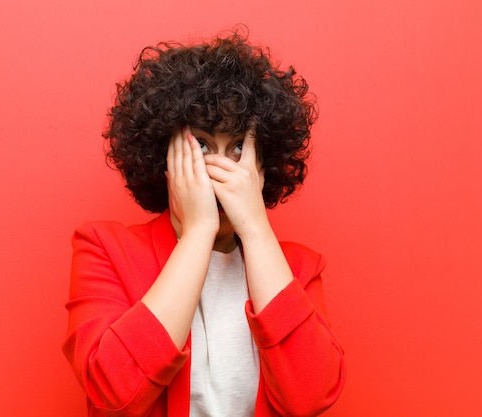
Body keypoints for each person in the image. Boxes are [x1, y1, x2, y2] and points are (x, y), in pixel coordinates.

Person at [62, 30, 345, 417]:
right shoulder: (104, 248)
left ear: (263, 165)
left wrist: (257, 230)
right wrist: (197, 234)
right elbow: (113, 392)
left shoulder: (299, 269)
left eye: (240, 149)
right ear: (164, 158)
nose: (224, 169)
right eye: (201, 146)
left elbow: (311, 398)